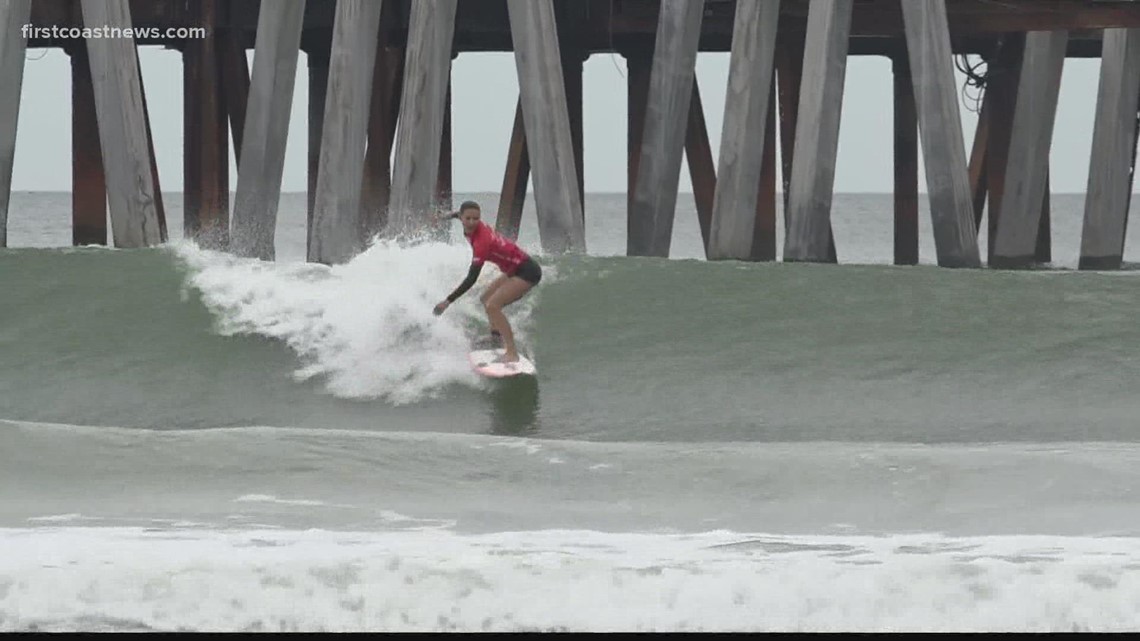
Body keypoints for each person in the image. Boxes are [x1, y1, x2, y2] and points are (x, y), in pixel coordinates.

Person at [433, 201, 542, 363]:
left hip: (527, 271)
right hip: (513, 269)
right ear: (462, 218)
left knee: (493, 305)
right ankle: (496, 337)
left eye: (476, 219)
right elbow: (458, 214)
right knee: (485, 299)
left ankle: (512, 353)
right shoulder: (465, 220)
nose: (471, 222)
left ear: (480, 218)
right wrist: (443, 217)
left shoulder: (481, 242)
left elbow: (471, 278)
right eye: (468, 218)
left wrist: (448, 301)